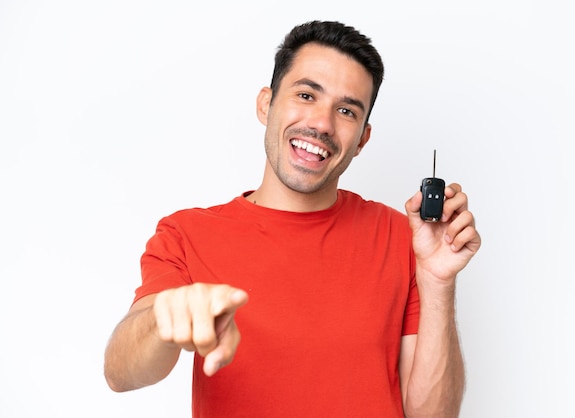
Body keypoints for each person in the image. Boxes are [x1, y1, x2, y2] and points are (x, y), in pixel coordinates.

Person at [104, 20, 481, 418]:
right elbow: (120, 373)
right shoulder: (186, 234)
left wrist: (438, 281)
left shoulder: (403, 237)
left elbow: (433, 416)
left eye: (346, 110)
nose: (321, 124)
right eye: (306, 95)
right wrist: (167, 319)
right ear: (266, 104)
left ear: (362, 140)